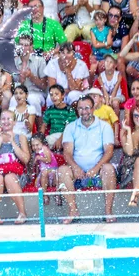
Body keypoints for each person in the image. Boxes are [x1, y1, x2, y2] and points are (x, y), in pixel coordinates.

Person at [58, 96, 116, 224]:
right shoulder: (71, 127)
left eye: (87, 108)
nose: (84, 111)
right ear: (77, 110)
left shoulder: (104, 126)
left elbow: (109, 152)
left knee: (109, 169)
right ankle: (73, 211)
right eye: (80, 108)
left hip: (98, 170)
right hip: (77, 173)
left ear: (93, 108)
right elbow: (67, 153)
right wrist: (75, 167)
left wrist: (96, 168)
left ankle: (108, 211)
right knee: (62, 170)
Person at [0, 110, 30, 224]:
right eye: (3, 119)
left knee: (9, 177)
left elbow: (25, 159)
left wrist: (12, 142)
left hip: (16, 175)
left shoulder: (21, 137)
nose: (6, 121)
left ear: (14, 122)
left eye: (9, 119)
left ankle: (22, 213)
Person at [119, 105, 139, 216]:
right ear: (131, 117)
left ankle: (135, 195)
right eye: (135, 116)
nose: (138, 118)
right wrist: (128, 131)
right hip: (129, 171)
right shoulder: (124, 132)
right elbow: (130, 152)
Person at [44, 41, 90, 106]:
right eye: (62, 53)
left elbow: (75, 89)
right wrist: (63, 92)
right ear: (59, 54)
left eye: (68, 53)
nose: (65, 56)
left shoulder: (81, 65)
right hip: (59, 94)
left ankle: (72, 115)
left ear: (73, 54)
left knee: (72, 95)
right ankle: (53, 115)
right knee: (50, 98)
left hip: (77, 93)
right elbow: (52, 88)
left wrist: (67, 70)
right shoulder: (52, 64)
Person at [13, 34, 47, 118]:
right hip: (19, 93)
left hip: (37, 93)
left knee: (32, 99)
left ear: (31, 47)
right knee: (12, 100)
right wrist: (22, 78)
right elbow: (14, 86)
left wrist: (31, 76)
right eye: (21, 45)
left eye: (26, 45)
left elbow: (44, 86)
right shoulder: (14, 62)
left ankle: (39, 129)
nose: (23, 48)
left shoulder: (40, 60)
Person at [40, 85, 77, 150]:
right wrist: (40, 138)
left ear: (63, 95)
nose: (54, 97)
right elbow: (44, 125)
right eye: (51, 95)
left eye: (56, 94)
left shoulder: (69, 110)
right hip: (53, 136)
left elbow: (68, 128)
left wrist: (60, 140)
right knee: (47, 141)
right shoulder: (49, 110)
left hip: (66, 135)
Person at [31, 132, 59, 205]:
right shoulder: (36, 153)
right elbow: (37, 167)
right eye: (33, 145)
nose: (35, 147)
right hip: (44, 171)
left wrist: (39, 158)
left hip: (52, 169)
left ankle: (55, 194)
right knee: (36, 183)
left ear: (42, 143)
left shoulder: (44, 149)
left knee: (45, 173)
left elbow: (49, 160)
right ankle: (44, 193)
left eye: (37, 145)